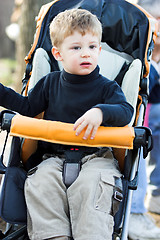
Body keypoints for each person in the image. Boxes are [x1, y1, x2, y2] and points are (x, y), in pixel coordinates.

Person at [0, 9, 133, 240]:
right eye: (76, 48)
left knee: (94, 186)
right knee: (40, 183)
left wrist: (100, 112)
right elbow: (27, 108)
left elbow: (125, 111)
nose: (86, 54)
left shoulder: (107, 88)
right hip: (53, 158)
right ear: (58, 53)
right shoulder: (50, 83)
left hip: (96, 157)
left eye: (92, 47)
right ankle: (52, 236)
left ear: (99, 50)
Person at [128, 0, 160, 239]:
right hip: (141, 114)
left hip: (154, 111)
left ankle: (155, 196)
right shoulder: (137, 52)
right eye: (153, 20)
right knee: (138, 148)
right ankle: (135, 211)